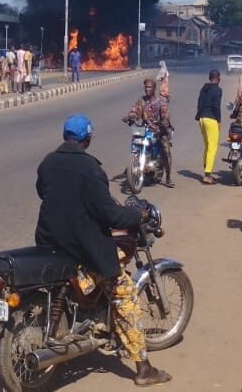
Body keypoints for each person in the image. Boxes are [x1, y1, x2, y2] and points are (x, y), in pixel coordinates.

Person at [34, 114, 171, 387]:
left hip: (49, 241)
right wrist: (138, 216)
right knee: (124, 293)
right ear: (87, 138)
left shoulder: (48, 161)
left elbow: (44, 192)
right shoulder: (90, 167)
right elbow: (109, 214)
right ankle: (144, 369)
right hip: (81, 246)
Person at [123, 78, 175, 187]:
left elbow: (165, 113)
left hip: (159, 129)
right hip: (145, 128)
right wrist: (130, 116)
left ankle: (168, 177)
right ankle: (134, 164)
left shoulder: (160, 102)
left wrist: (165, 120)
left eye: (149, 87)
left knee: (166, 149)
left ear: (154, 89)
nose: (147, 89)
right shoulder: (141, 100)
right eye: (146, 87)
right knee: (136, 141)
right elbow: (135, 110)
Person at [195, 70, 222, 184]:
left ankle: (207, 170)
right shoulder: (218, 90)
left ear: (209, 77)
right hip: (211, 119)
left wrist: (199, 116)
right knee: (212, 147)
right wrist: (219, 120)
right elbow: (216, 106)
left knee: (207, 146)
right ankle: (207, 175)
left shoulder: (203, 88)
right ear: (218, 78)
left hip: (202, 119)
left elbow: (199, 103)